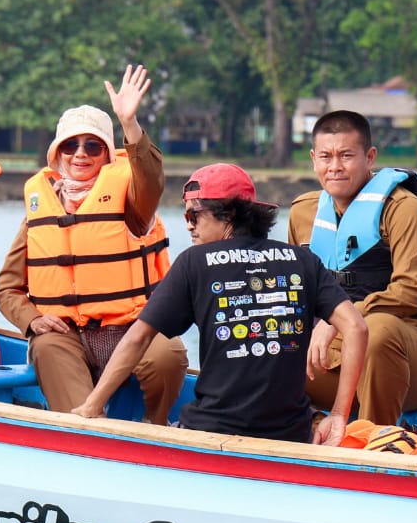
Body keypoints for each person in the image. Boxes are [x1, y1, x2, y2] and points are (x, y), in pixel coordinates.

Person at [72, 164, 368, 446]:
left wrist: (92, 406)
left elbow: (138, 337)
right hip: (290, 432)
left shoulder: (194, 262)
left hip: (212, 427)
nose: (189, 227)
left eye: (194, 216)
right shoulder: (303, 260)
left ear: (228, 215)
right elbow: (356, 327)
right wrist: (339, 416)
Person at [0, 65, 188, 423]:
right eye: (70, 145)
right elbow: (7, 289)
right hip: (64, 335)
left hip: (132, 328)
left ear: (108, 153)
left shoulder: (134, 202)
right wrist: (32, 320)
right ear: (57, 154)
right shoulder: (39, 210)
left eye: (92, 145)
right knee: (54, 363)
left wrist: (130, 124)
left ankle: (154, 426)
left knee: (168, 356)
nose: (80, 153)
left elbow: (151, 179)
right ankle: (85, 437)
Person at [288, 110, 417, 426]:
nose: (334, 167)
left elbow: (411, 294)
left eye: (346, 156)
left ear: (370, 157)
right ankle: (309, 429)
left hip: (412, 354)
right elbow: (298, 294)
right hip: (334, 357)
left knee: (377, 331)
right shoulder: (303, 212)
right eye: (325, 156)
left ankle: (374, 443)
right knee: (264, 338)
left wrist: (341, 320)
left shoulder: (403, 208)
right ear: (313, 159)